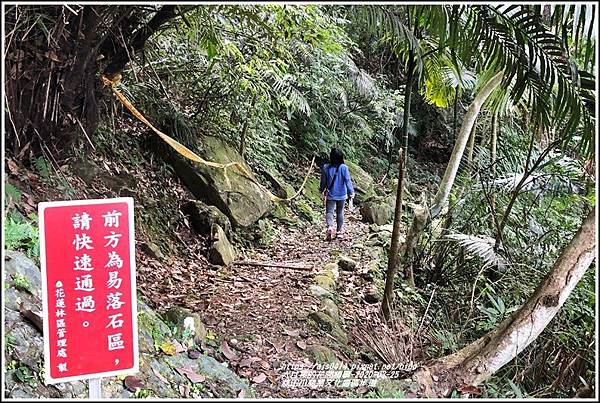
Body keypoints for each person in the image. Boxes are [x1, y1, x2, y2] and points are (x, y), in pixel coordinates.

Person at [319, 148, 355, 241]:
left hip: (331, 194)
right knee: (340, 212)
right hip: (342, 195)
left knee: (329, 212)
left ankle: (330, 227)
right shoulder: (344, 167)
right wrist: (351, 192)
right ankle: (339, 232)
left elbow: (323, 181)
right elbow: (348, 180)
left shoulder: (326, 167)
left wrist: (321, 190)